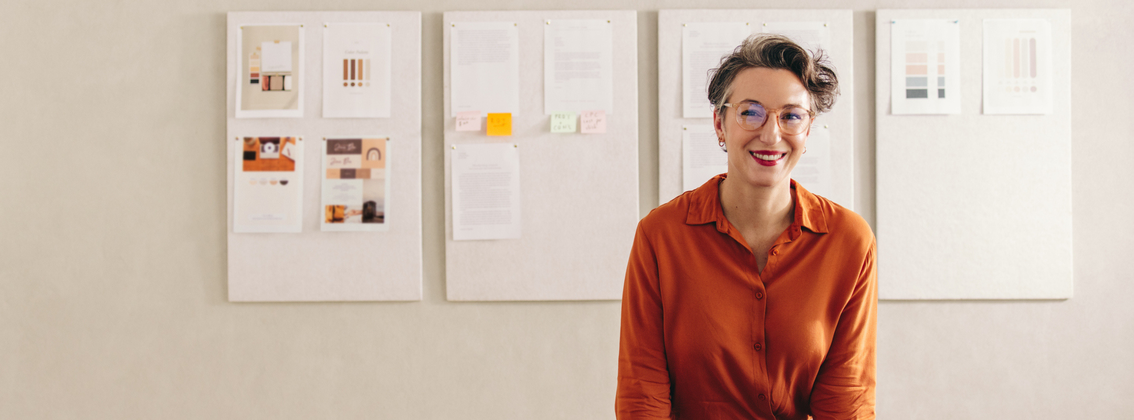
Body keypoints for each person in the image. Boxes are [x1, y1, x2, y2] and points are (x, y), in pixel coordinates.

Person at [616, 34, 877, 420]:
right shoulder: (661, 235)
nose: (771, 134)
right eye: (751, 112)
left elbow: (846, 400)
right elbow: (643, 395)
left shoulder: (849, 242)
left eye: (791, 115)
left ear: (807, 130)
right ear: (720, 124)